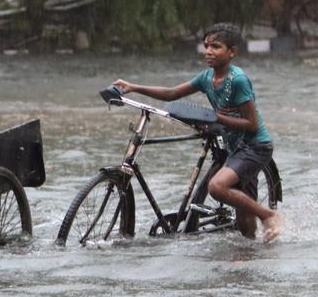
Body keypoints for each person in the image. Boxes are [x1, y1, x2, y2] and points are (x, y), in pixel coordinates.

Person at [113, 22, 283, 242]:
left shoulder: (238, 80)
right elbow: (172, 93)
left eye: (216, 47)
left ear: (232, 52)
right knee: (244, 219)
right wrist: (133, 87)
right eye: (206, 46)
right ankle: (250, 255)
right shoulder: (206, 78)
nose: (209, 51)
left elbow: (251, 124)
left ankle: (269, 216)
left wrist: (216, 118)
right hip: (233, 147)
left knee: (217, 186)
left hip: (254, 146)